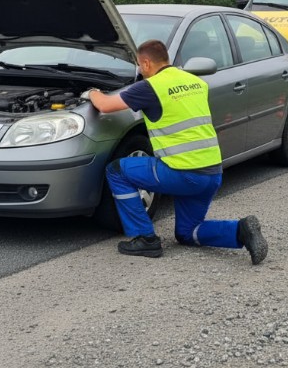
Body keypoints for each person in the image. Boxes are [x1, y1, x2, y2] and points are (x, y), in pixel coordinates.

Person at [83, 39, 268, 264]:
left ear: (147, 63)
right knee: (188, 233)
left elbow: (105, 105)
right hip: (212, 174)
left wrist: (92, 92)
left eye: (140, 66)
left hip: (183, 173)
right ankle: (240, 230)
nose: (140, 71)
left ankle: (144, 237)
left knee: (117, 171)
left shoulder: (150, 87)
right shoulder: (195, 81)